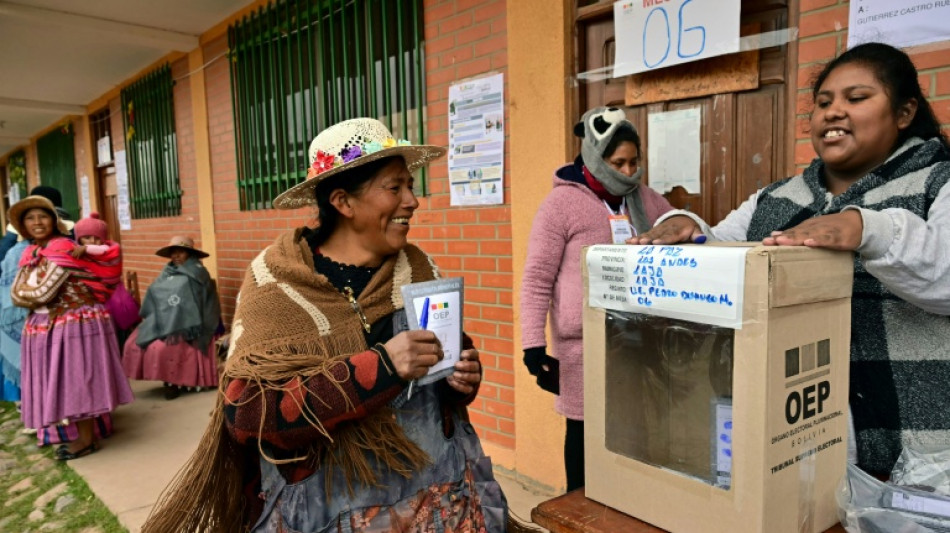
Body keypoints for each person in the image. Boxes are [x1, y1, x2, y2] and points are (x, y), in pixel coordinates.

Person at [143, 118, 507, 532]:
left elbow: (441, 385)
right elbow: (247, 414)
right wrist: (382, 369)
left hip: (432, 506)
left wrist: (460, 379)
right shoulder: (276, 283)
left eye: (410, 185)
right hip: (324, 514)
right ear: (343, 201)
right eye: (395, 187)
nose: (412, 200)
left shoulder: (419, 270)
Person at [633, 42, 950, 476]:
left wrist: (866, 229)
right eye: (823, 103)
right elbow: (721, 248)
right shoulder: (776, 196)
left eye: (856, 99)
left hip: (920, 449)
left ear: (904, 112)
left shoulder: (938, 181)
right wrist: (684, 224)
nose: (833, 112)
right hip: (796, 439)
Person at [520, 106, 673, 492]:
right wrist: (533, 345)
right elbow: (538, 278)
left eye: (634, 162)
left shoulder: (644, 200)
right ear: (595, 156)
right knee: (585, 434)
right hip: (582, 345)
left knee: (634, 431)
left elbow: (678, 222)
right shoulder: (561, 205)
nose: (627, 172)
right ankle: (580, 512)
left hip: (639, 339)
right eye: (618, 162)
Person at [11, 195, 133, 460]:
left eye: (42, 216)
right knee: (63, 381)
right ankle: (80, 436)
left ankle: (87, 440)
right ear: (23, 225)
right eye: (30, 218)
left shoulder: (62, 248)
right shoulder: (31, 252)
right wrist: (25, 294)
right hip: (50, 324)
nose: (37, 222)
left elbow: (41, 293)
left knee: (78, 379)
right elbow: (16, 292)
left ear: (54, 221)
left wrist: (25, 294)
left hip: (75, 323)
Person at [122, 236, 221, 400]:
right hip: (167, 316)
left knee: (163, 348)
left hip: (191, 320)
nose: (176, 256)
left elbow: (195, 299)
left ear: (190, 254)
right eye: (173, 252)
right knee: (135, 343)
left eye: (180, 252)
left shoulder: (198, 272)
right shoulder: (168, 271)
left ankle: (172, 383)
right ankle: (168, 380)